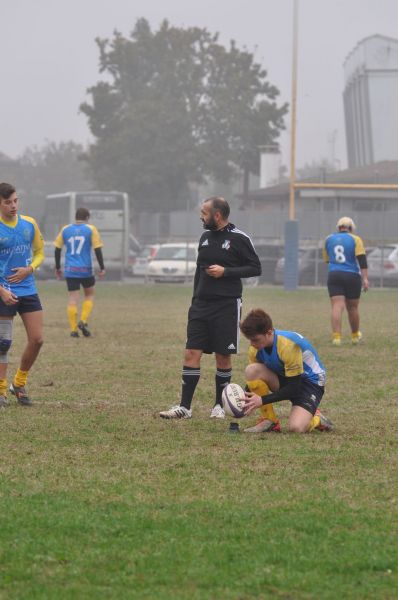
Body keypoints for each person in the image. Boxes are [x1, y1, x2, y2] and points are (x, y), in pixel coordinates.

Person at [159, 196, 262, 420]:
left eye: (204, 213)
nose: (201, 216)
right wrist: (196, 299)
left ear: (217, 215)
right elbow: (199, 271)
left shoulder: (239, 238)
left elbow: (255, 268)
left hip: (227, 305)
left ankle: (218, 405)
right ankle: (185, 407)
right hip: (200, 305)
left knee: (222, 356)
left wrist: (226, 272)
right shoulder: (205, 238)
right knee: (191, 352)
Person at [240, 308, 334, 433]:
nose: (252, 344)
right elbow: (255, 380)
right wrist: (242, 397)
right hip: (288, 377)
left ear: (269, 332)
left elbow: (294, 389)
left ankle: (317, 419)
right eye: (250, 340)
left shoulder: (288, 346)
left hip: (311, 382)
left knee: (296, 428)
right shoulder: (255, 348)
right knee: (252, 370)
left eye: (255, 339)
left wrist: (261, 400)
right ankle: (269, 421)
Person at [0, 182, 45, 407]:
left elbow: (39, 252)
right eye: (8, 202)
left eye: (15, 201)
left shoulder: (29, 224)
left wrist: (30, 268)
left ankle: (19, 383)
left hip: (27, 289)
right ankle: (1, 391)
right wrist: (2, 290)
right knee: (3, 343)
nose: (13, 206)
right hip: (3, 291)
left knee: (37, 340)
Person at [54, 207, 105, 337]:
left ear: (76, 217)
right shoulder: (91, 229)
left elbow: (57, 249)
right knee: (89, 295)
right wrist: (102, 267)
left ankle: (73, 330)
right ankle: (83, 320)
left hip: (70, 270)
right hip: (86, 270)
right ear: (87, 218)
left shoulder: (65, 229)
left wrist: (58, 267)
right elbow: (97, 249)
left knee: (72, 299)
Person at [323, 216, 369, 346]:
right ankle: (355, 336)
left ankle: (336, 338)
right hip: (352, 275)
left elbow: (327, 260)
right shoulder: (356, 239)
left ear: (338, 227)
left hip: (334, 274)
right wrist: (365, 278)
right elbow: (362, 260)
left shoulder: (328, 239)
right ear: (351, 228)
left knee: (337, 306)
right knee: (353, 307)